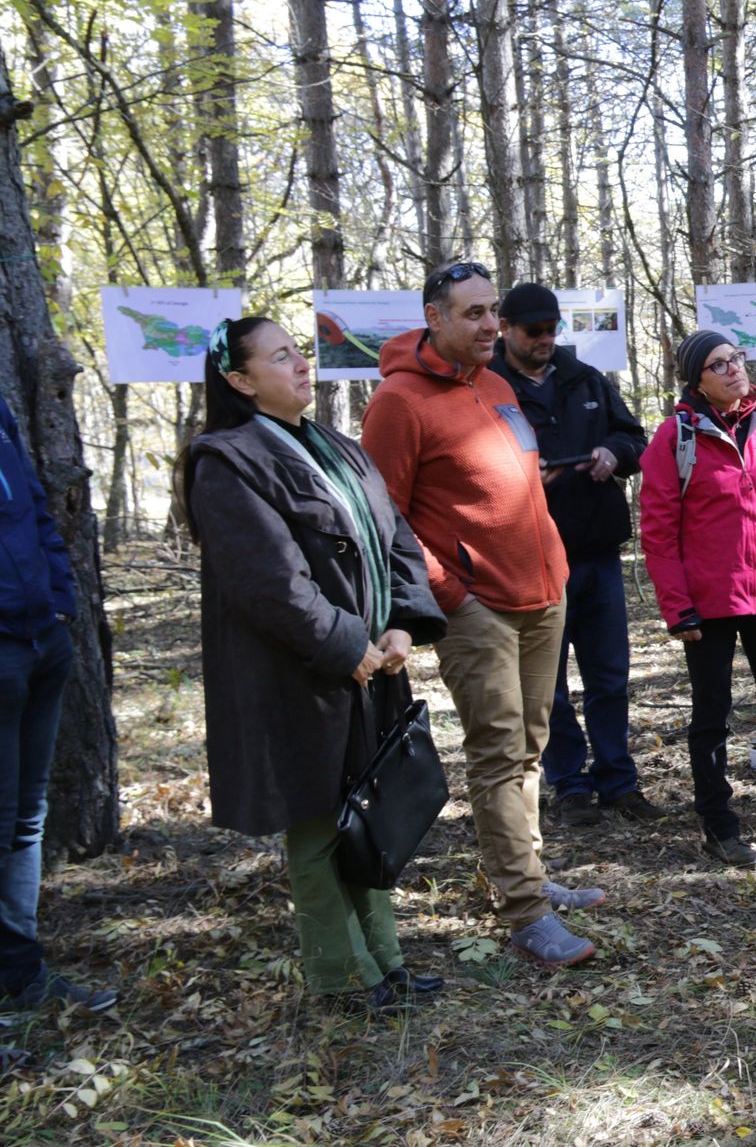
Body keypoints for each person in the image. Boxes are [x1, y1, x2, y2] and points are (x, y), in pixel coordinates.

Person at [182, 316, 448, 1015]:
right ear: (239, 381)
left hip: (369, 665)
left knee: (369, 816)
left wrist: (399, 627)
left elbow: (394, 535)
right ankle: (342, 975)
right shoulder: (226, 460)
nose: (301, 364)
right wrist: (344, 645)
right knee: (317, 823)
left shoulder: (335, 446)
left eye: (299, 351)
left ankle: (385, 962)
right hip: (297, 674)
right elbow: (270, 582)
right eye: (280, 357)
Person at [360, 262, 602, 969]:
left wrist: (551, 565)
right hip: (475, 608)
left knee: (530, 743)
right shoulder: (398, 402)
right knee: (498, 752)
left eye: (493, 310)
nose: (491, 325)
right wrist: (448, 592)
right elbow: (387, 520)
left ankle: (523, 871)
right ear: (434, 318)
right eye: (472, 313)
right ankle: (524, 911)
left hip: (541, 593)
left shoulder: (496, 385)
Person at [641, 331, 756, 866]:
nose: (732, 370)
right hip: (708, 604)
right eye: (718, 364)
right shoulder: (674, 438)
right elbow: (658, 531)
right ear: (696, 379)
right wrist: (677, 607)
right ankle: (718, 825)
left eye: (736, 359)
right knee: (711, 716)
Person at [489, 283, 662, 829]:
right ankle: (570, 782)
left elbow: (635, 438)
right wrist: (522, 476)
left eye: (551, 329)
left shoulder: (586, 378)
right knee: (548, 683)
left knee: (609, 674)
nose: (544, 340)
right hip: (532, 556)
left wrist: (615, 452)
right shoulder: (488, 388)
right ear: (505, 330)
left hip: (598, 551)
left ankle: (619, 779)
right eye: (532, 331)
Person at [1, 388, 115, 1062]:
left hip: (40, 638)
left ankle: (20, 970)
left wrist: (61, 604)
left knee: (24, 817)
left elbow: (37, 512)